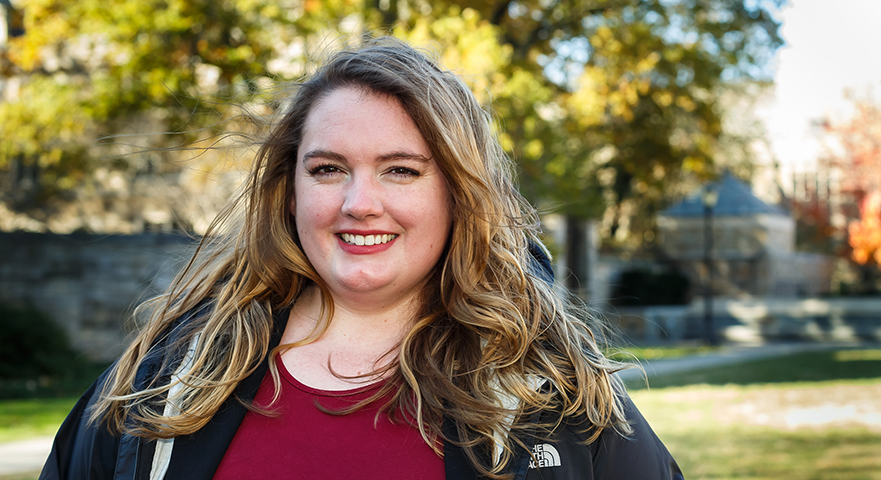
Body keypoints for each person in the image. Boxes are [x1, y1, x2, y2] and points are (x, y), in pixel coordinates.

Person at [40, 37, 683, 480]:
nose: (359, 202)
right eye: (327, 169)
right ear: (288, 190)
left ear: (459, 195)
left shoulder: (548, 396)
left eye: (400, 171)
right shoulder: (170, 378)